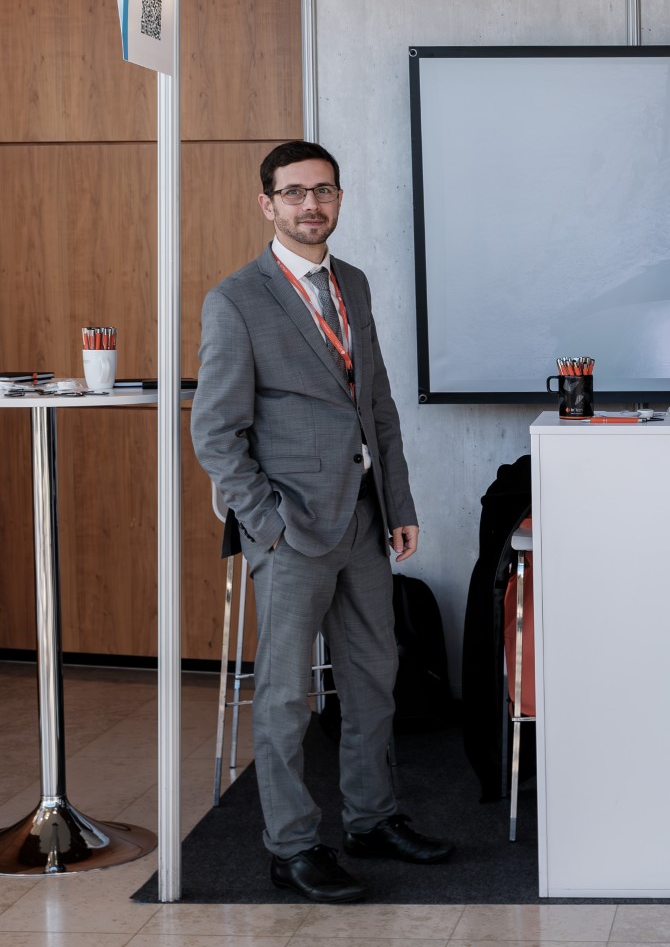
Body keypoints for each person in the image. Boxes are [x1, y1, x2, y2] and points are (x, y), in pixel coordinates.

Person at [191, 141, 452, 903]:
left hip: (364, 519)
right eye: (295, 192)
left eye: (324, 191)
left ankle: (371, 818)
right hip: (291, 530)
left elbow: (377, 404)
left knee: (374, 678)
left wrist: (399, 505)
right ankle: (293, 846)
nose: (312, 205)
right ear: (267, 203)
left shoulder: (354, 284)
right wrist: (266, 523)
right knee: (284, 697)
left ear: (339, 199)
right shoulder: (236, 300)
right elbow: (215, 433)